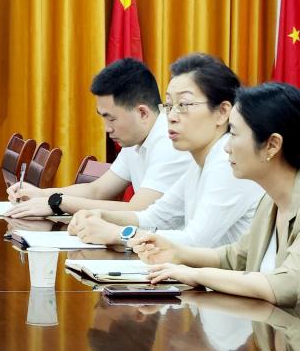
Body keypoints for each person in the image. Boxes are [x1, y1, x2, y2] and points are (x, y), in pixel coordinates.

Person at [69, 53, 263, 247]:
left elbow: (195, 241)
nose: (171, 117)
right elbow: (155, 217)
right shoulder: (199, 164)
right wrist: (100, 215)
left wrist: (118, 234)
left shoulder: (228, 162)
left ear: (222, 112)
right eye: (169, 105)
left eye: (183, 105)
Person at [134, 82, 300, 307]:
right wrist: (176, 252)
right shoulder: (270, 201)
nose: (226, 147)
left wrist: (197, 275)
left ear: (272, 145)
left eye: (234, 134)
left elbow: (287, 285)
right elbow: (236, 256)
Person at [6, 58, 192, 218]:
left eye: (111, 118)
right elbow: (96, 190)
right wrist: (41, 194)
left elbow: (138, 210)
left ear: (142, 113)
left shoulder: (171, 140)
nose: (106, 128)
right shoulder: (135, 140)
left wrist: (57, 203)